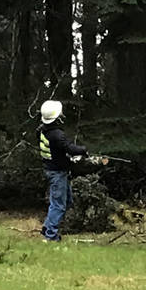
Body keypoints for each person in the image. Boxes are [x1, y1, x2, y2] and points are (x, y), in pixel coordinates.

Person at [37, 99, 104, 242]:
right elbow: (70, 148)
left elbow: (59, 150)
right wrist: (83, 150)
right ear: (57, 117)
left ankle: (47, 227)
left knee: (66, 202)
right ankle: (50, 236)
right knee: (59, 205)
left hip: (54, 170)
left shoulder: (43, 130)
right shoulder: (56, 135)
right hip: (57, 173)